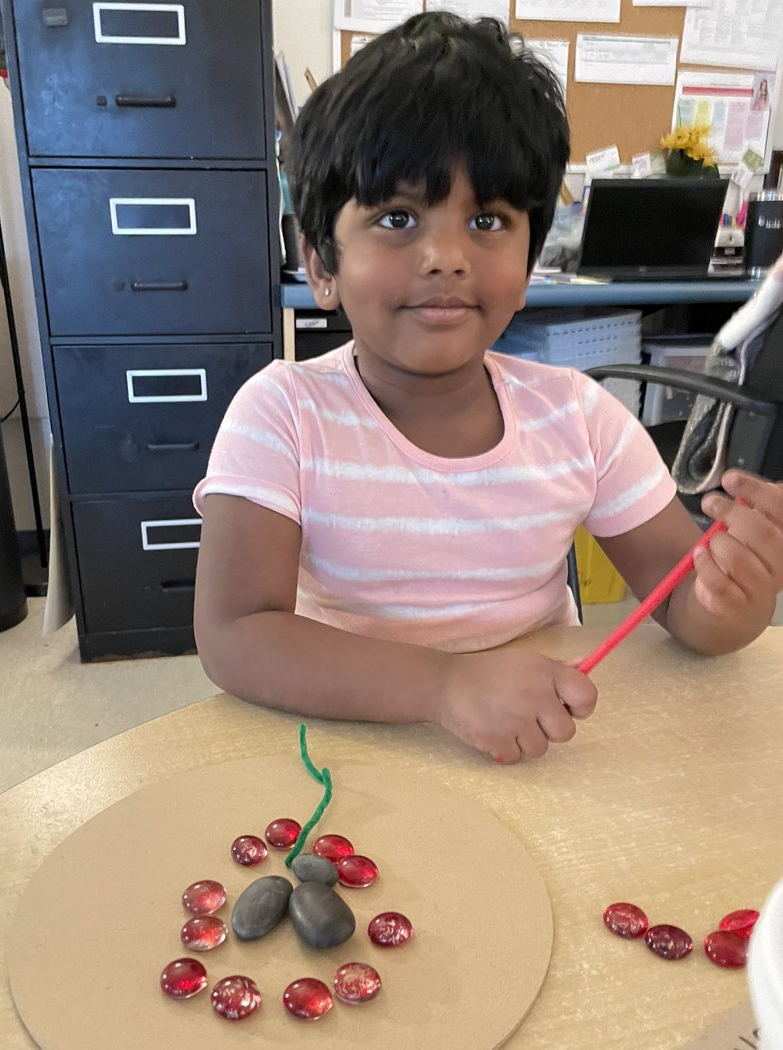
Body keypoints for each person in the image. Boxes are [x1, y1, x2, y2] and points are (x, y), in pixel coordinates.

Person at [193, 12, 783, 764]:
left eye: (488, 220)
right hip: (349, 750)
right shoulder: (283, 413)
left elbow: (683, 605)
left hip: (532, 750)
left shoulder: (579, 417)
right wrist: (444, 687)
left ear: (530, 262)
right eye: (397, 217)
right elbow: (236, 635)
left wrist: (738, 594)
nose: (446, 255)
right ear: (320, 265)